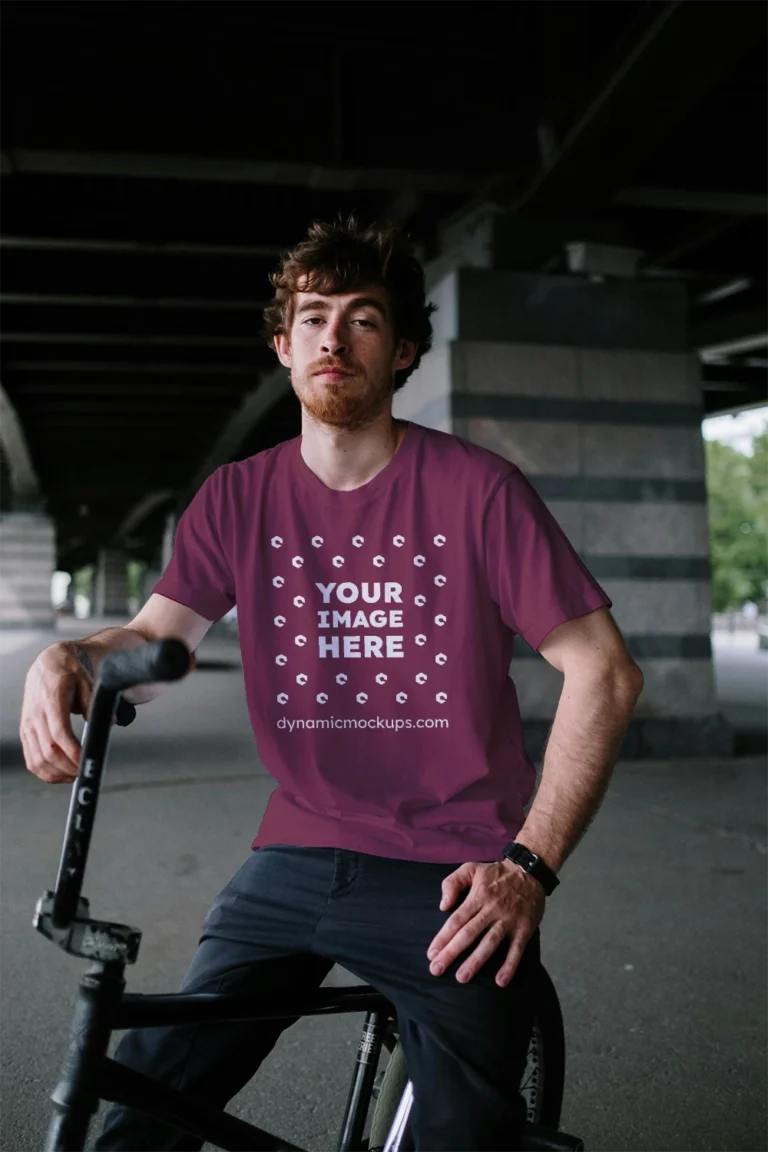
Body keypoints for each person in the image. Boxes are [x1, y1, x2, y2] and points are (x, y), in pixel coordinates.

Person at [21, 216, 644, 1152]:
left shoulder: (479, 491)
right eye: (313, 317)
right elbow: (158, 645)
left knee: (462, 1135)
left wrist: (528, 868)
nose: (332, 337)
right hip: (298, 851)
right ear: (284, 345)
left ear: (402, 352)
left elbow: (604, 670)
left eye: (362, 319)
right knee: (142, 1099)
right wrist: (66, 658)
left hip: (456, 868)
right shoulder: (238, 498)